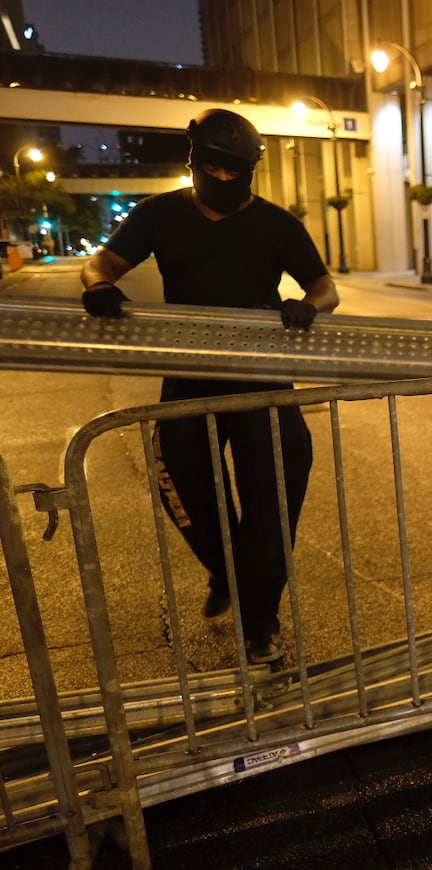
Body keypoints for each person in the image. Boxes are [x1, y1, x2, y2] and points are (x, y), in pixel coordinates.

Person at [80, 108, 339, 665]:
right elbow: (104, 260)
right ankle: (224, 571)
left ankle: (261, 621)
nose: (222, 181)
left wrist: (307, 305)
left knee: (273, 500)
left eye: (234, 172)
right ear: (195, 162)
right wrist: (99, 284)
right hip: (188, 379)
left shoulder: (277, 225)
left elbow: (325, 287)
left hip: (262, 379)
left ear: (251, 169)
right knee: (184, 486)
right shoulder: (159, 215)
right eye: (212, 169)